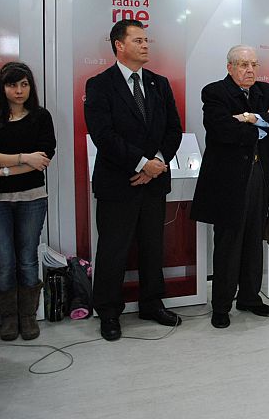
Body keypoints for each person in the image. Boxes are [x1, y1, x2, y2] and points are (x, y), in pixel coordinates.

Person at [85, 19, 183, 341]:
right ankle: (109, 312)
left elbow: (173, 130)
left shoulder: (159, 83)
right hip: (118, 183)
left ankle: (151, 304)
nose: (145, 45)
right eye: (138, 40)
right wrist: (141, 163)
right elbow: (103, 135)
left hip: (154, 182)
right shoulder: (99, 85)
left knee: (153, 246)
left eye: (146, 40)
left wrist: (156, 163)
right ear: (119, 45)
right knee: (113, 249)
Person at [191, 45, 269, 329]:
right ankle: (221, 305)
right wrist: (263, 123)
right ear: (229, 67)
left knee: (254, 239)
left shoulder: (266, 91)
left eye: (254, 64)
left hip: (261, 174)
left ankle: (249, 297)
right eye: (243, 64)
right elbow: (223, 131)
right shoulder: (214, 92)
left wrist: (249, 118)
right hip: (229, 179)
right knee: (228, 243)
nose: (250, 70)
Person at [0, 62, 55, 341]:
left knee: (26, 259)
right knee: (3, 261)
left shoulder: (40, 117)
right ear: (3, 87)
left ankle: (27, 316)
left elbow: (43, 159)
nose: (19, 90)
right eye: (13, 85)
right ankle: (8, 318)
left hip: (32, 198)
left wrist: (3, 168)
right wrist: (24, 158)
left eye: (24, 84)